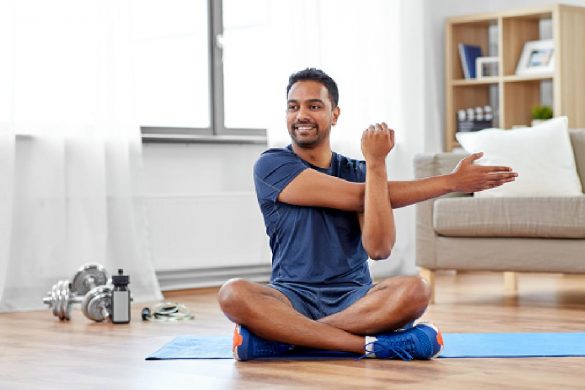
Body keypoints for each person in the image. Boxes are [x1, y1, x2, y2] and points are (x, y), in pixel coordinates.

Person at [218, 68, 517, 361]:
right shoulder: (272, 165)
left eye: (314, 106)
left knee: (415, 290)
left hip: (355, 299)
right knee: (232, 293)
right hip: (291, 296)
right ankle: (369, 346)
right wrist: (450, 182)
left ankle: (285, 340)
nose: (302, 115)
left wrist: (375, 164)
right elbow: (354, 196)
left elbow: (380, 248)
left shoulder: (361, 172)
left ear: (335, 114)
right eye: (293, 107)